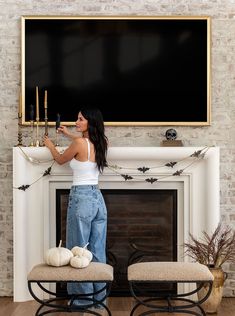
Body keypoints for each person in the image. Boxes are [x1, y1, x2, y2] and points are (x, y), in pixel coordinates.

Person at [43, 107, 108, 307]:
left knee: (78, 250)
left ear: (90, 122)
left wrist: (50, 145)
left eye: (80, 119)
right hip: (98, 198)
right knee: (97, 250)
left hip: (81, 198)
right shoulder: (102, 142)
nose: (76, 122)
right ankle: (98, 299)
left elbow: (61, 159)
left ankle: (82, 301)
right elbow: (82, 141)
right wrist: (69, 134)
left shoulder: (79, 143)